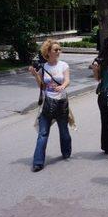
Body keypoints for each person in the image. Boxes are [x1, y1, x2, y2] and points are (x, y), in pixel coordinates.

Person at [28, 39, 72, 172]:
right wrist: (36, 75)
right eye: (55, 50)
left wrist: (62, 86)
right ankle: (38, 162)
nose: (58, 52)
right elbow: (42, 85)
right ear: (48, 52)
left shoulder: (63, 65)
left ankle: (66, 152)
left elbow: (67, 80)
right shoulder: (44, 67)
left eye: (59, 49)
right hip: (47, 103)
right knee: (42, 133)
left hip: (61, 102)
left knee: (64, 131)